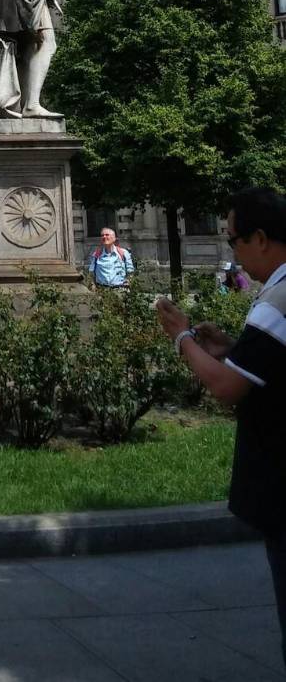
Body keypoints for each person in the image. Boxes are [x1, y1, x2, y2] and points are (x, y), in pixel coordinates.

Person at [156, 187, 286, 670]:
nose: (232, 250)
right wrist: (231, 347)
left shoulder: (278, 298)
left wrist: (183, 338)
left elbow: (228, 388)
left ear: (261, 237)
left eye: (233, 240)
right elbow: (267, 366)